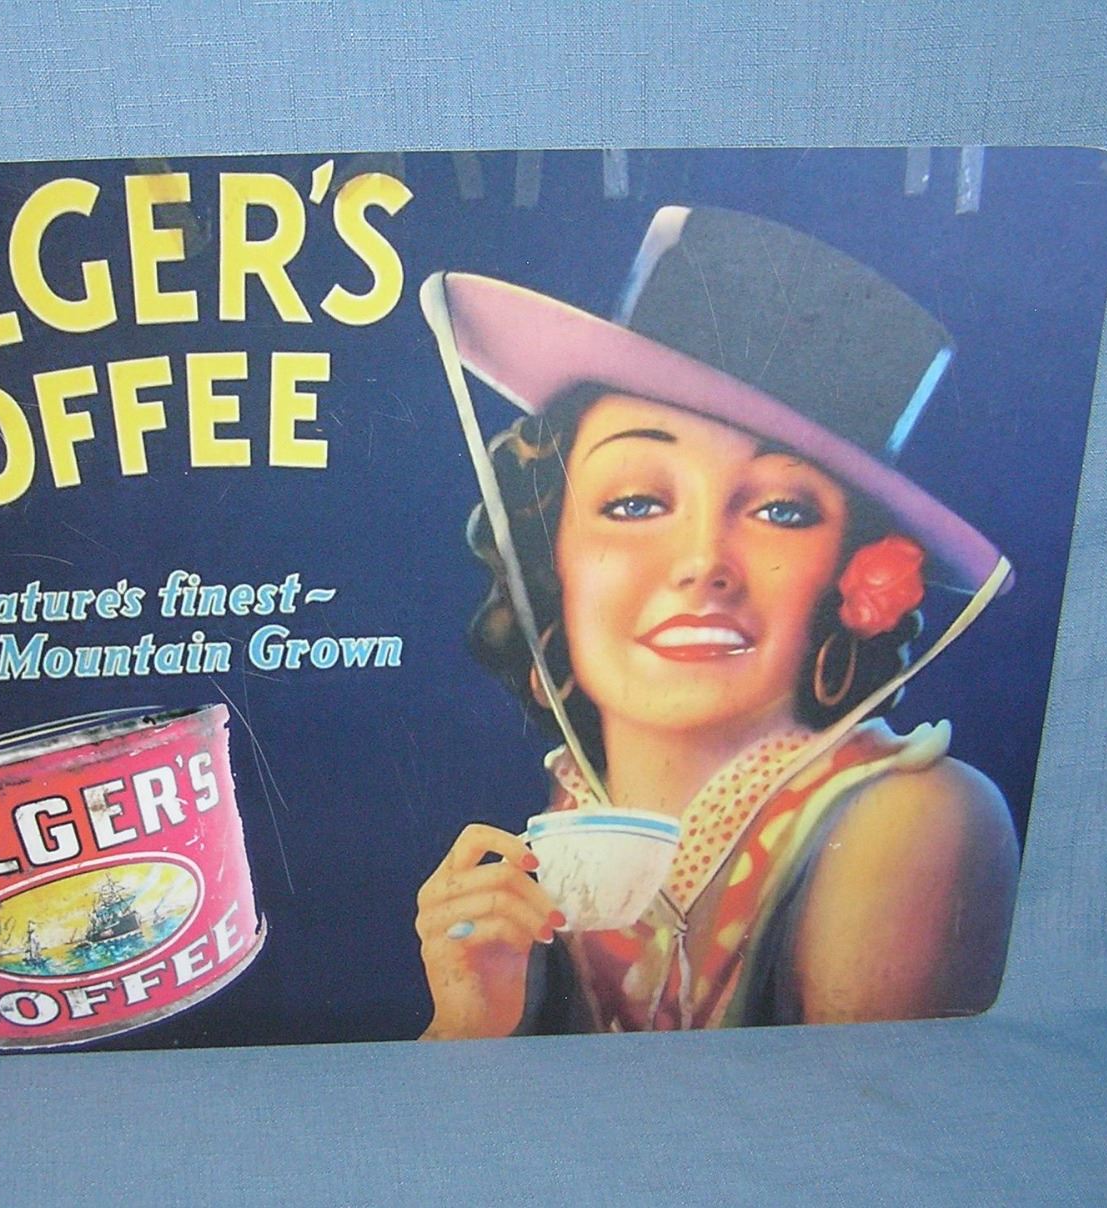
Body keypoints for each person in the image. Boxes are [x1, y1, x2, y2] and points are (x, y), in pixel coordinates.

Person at [415, 206, 1022, 1039]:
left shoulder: (917, 821)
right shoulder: (566, 826)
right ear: (550, 549)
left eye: (780, 511)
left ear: (851, 571)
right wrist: (468, 1023)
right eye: (636, 502)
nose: (705, 562)